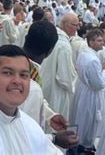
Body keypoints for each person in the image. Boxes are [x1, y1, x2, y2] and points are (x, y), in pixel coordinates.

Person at [20, 20, 79, 150]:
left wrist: (49, 115)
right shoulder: (29, 85)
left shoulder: (12, 61)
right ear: (50, 51)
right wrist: (54, 138)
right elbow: (22, 135)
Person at [72, 28, 105, 153]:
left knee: (81, 117)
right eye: (99, 41)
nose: (102, 43)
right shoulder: (93, 60)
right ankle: (85, 145)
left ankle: (80, 142)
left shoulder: (84, 54)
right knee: (89, 120)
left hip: (84, 89)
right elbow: (99, 84)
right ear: (90, 42)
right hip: (91, 93)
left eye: (102, 40)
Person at [40, 13, 77, 119]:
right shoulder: (64, 46)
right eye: (75, 25)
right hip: (56, 92)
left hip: (44, 84)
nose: (77, 28)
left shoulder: (51, 36)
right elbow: (64, 78)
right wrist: (73, 73)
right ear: (66, 25)